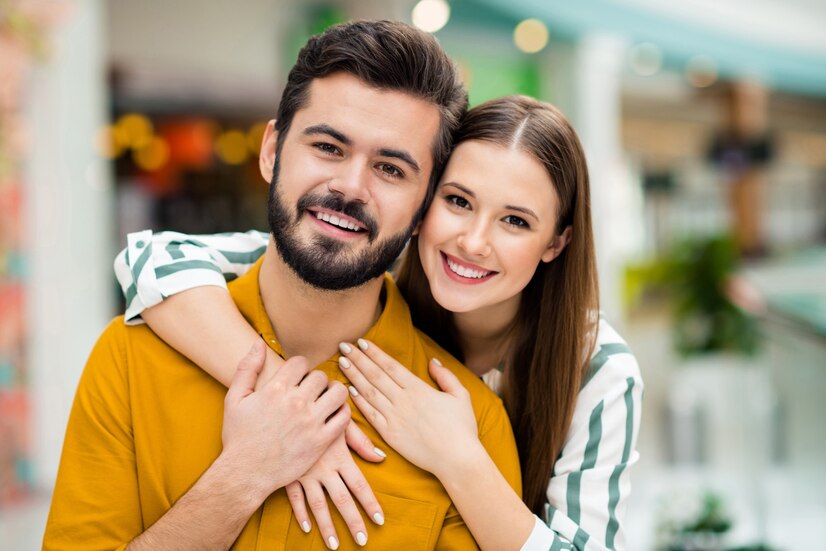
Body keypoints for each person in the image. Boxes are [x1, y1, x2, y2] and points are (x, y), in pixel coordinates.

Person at [44, 20, 523, 551]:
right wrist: (241, 478)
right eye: (328, 147)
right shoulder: (128, 359)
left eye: (390, 169)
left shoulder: (469, 428)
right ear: (272, 150)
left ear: (422, 209)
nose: (349, 187)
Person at [111, 95, 643, 550]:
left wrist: (458, 457)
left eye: (515, 221)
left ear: (557, 242)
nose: (474, 242)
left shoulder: (598, 370)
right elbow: (153, 260)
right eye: (458, 201)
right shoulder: (365, 278)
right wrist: (285, 403)